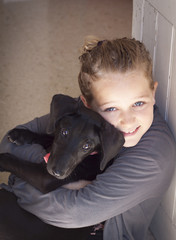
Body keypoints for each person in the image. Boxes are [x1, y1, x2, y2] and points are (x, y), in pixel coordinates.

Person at [0, 37, 175, 240]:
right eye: (111, 108)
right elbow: (10, 141)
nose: (127, 121)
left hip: (99, 233)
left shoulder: (153, 156)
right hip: (48, 214)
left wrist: (24, 178)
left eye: (138, 103)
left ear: (153, 93)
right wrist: (39, 176)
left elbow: (71, 213)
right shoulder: (87, 117)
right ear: (86, 104)